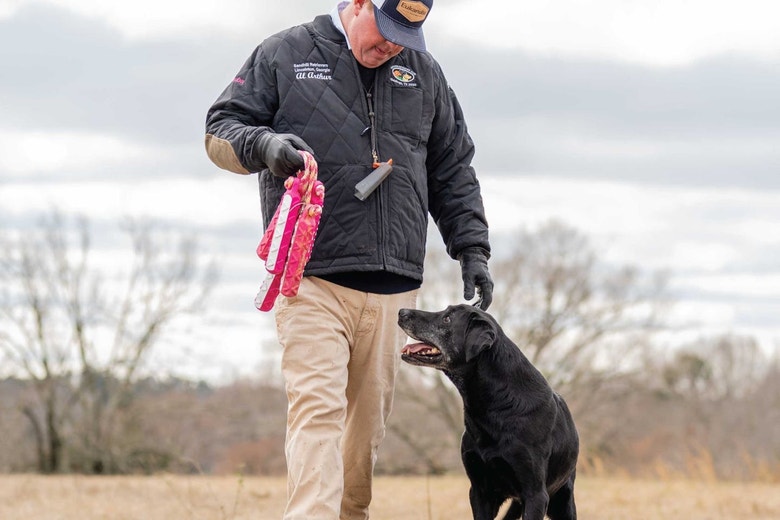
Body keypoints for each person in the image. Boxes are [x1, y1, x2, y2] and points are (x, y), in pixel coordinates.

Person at [204, 1, 493, 518]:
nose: (391, 46)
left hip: (394, 294)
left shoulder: (424, 74)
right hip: (311, 278)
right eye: (384, 31)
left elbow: (453, 169)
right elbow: (220, 130)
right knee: (317, 413)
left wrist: (472, 249)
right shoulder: (285, 53)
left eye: (406, 36)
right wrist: (265, 145)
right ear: (357, 4)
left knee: (363, 440)